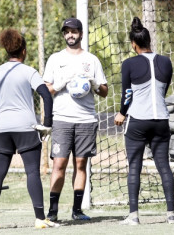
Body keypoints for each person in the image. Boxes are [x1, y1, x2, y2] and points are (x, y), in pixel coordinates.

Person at [0, 28, 58, 229]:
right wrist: (47, 124)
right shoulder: (29, 71)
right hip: (26, 128)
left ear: (7, 50)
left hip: (2, 129)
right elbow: (46, 95)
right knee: (32, 172)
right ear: (23, 51)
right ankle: (40, 218)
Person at [43, 17, 108, 221]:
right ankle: (52, 212)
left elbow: (104, 91)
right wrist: (60, 83)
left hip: (86, 120)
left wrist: (95, 84)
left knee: (81, 165)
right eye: (67, 31)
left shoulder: (92, 60)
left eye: (74, 31)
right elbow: (46, 90)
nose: (70, 35)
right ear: (64, 34)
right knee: (58, 165)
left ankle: (77, 210)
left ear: (81, 33)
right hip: (62, 120)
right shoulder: (55, 59)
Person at [114, 17, 174, 225]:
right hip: (161, 120)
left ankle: (133, 216)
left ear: (133, 44)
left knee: (135, 166)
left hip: (138, 120)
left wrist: (122, 113)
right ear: (149, 40)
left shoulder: (129, 63)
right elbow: (163, 89)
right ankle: (171, 215)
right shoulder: (166, 61)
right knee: (164, 166)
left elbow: (127, 94)